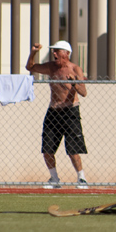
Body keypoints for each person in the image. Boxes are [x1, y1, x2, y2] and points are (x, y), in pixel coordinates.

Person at [25, 40, 89, 189]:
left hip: (70, 111)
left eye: (57, 51)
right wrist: (33, 52)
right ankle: (54, 179)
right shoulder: (51, 67)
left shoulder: (75, 69)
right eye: (53, 51)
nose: (54, 53)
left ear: (66, 53)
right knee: (47, 148)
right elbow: (30, 67)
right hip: (53, 111)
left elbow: (84, 92)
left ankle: (81, 179)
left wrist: (74, 83)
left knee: (73, 150)